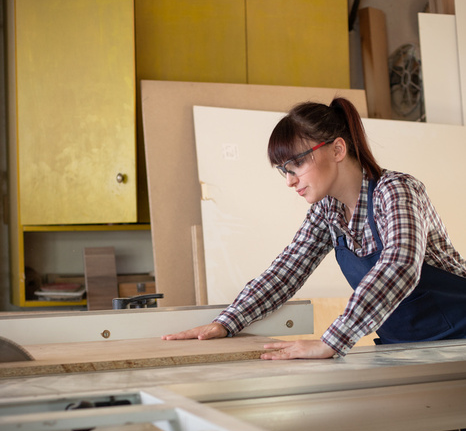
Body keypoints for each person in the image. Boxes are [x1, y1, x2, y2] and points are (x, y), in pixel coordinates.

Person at [163, 97, 466, 359]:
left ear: (337, 150)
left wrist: (330, 341)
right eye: (284, 170)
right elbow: (286, 272)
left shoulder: (396, 191)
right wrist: (226, 322)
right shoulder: (327, 211)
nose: (289, 180)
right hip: (405, 350)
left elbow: (400, 266)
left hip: (459, 340)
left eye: (297, 164)